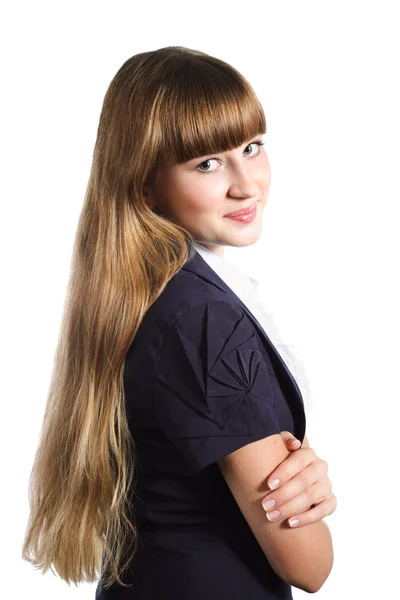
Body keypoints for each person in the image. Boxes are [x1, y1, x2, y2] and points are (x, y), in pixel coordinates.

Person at [21, 46, 336, 599]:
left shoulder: (152, 295)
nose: (246, 184)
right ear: (145, 183)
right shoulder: (203, 318)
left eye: (251, 148)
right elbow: (308, 566)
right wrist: (311, 505)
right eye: (207, 163)